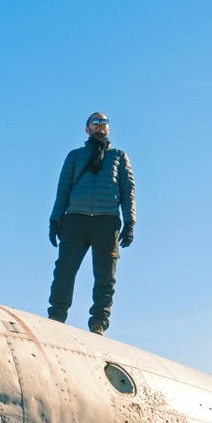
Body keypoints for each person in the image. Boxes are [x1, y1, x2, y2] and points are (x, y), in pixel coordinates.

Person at [47, 112, 136, 334]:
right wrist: (55, 219)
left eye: (104, 122)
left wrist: (130, 222)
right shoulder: (75, 156)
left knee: (105, 276)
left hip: (107, 222)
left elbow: (128, 191)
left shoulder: (118, 157)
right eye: (95, 121)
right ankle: (56, 316)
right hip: (75, 219)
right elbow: (63, 189)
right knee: (64, 270)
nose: (101, 125)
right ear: (87, 129)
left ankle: (98, 322)